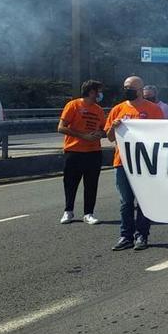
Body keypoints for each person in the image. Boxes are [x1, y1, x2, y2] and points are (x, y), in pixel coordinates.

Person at [104, 76, 164, 251]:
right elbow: (109, 138)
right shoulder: (118, 109)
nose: (126, 90)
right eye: (125, 87)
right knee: (125, 201)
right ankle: (125, 236)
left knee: (144, 200)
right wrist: (113, 128)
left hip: (145, 163)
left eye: (130, 87)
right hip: (122, 162)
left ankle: (142, 235)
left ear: (140, 89)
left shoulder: (153, 110)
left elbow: (161, 135)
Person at [57, 79, 106, 225]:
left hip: (94, 152)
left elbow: (104, 129)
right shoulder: (73, 105)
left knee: (91, 184)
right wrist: (83, 136)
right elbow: (61, 127)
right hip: (74, 151)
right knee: (71, 183)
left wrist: (100, 134)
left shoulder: (99, 110)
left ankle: (89, 213)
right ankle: (68, 211)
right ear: (91, 92)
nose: (100, 94)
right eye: (99, 91)